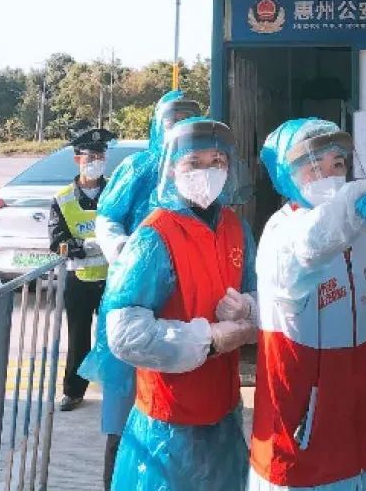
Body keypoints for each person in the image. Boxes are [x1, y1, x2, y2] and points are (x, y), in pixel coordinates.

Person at [249, 117, 366, 491]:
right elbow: (309, 246)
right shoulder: (282, 233)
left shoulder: (352, 234)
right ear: (286, 175)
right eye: (314, 167)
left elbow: (356, 305)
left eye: (337, 164)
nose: (329, 175)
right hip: (302, 432)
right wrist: (354, 207)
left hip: (354, 424)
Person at [102, 117, 257, 490]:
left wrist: (249, 308)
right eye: (194, 162)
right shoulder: (153, 237)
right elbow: (126, 334)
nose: (207, 172)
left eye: (217, 161)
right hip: (167, 422)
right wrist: (209, 339)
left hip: (224, 409)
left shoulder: (236, 228)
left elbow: (258, 289)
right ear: (171, 168)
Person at [78, 90, 201, 489]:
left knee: (175, 403)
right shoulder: (139, 167)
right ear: (157, 125)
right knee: (126, 409)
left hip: (185, 300)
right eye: (173, 119)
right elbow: (108, 217)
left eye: (189, 119)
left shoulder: (197, 171)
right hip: (135, 294)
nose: (180, 127)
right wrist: (126, 253)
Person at [48, 128, 116, 412]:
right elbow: (57, 241)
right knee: (78, 338)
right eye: (91, 157)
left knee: (116, 337)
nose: (96, 162)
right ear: (78, 159)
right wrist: (83, 246)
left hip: (113, 280)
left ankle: (118, 390)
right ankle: (73, 392)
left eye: (101, 156)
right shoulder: (63, 198)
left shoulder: (115, 191)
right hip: (79, 280)